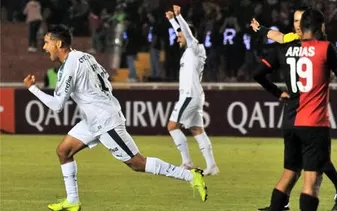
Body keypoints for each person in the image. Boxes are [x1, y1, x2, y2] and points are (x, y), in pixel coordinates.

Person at [23, 24, 208, 211]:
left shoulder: (70, 65)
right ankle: (72, 200)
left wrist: (32, 88)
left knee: (137, 163)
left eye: (47, 43)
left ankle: (191, 176)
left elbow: (57, 105)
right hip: (93, 119)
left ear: (59, 43)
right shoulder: (85, 56)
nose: (44, 47)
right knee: (64, 151)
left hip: (105, 121)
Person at [250, 7, 337, 211]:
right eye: (294, 20)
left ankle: (277, 207)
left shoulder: (286, 47)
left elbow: (274, 39)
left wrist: (260, 29)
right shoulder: (323, 48)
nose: (296, 24)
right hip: (313, 120)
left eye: (299, 21)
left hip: (292, 118)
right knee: (311, 179)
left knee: (291, 171)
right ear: (319, 26)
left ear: (302, 25)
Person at [165, 5, 219, 176]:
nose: (177, 39)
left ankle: (187, 162)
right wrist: (172, 20)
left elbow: (187, 34)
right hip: (194, 95)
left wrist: (179, 17)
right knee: (197, 130)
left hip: (190, 95)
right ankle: (212, 166)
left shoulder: (195, 48)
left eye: (179, 36)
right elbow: (183, 33)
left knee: (172, 126)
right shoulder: (190, 51)